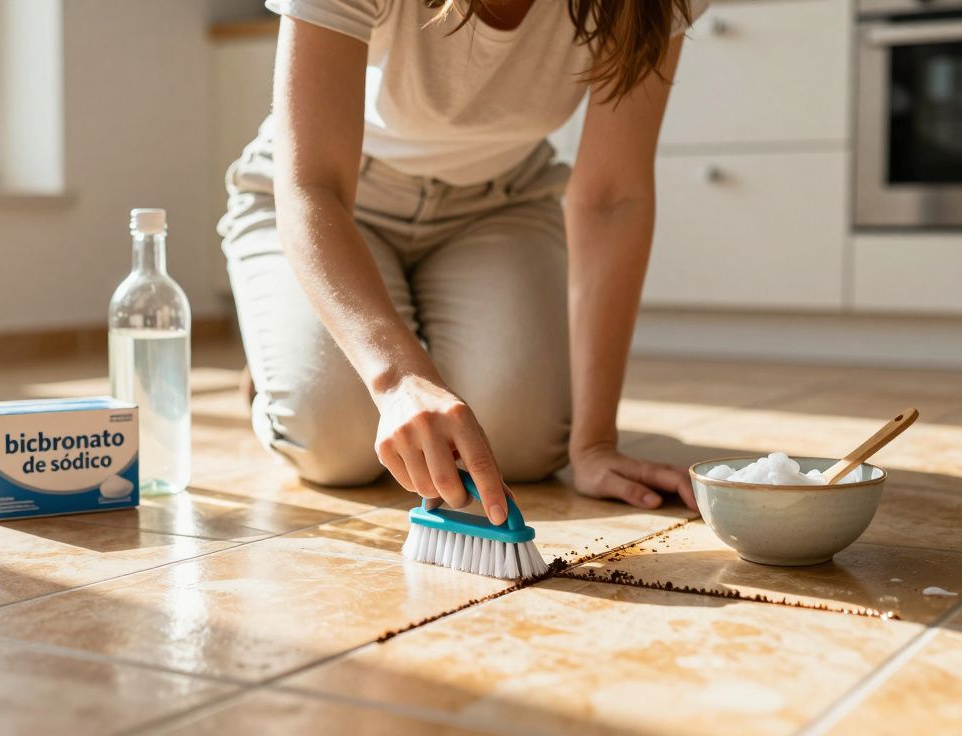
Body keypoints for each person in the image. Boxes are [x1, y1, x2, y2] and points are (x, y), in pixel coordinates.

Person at [218, 0, 707, 524]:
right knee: (331, 443)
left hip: (499, 203)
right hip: (340, 200)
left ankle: (385, 346)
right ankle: (298, 354)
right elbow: (314, 186)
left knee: (522, 446)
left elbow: (613, 196)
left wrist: (594, 444)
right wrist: (397, 380)